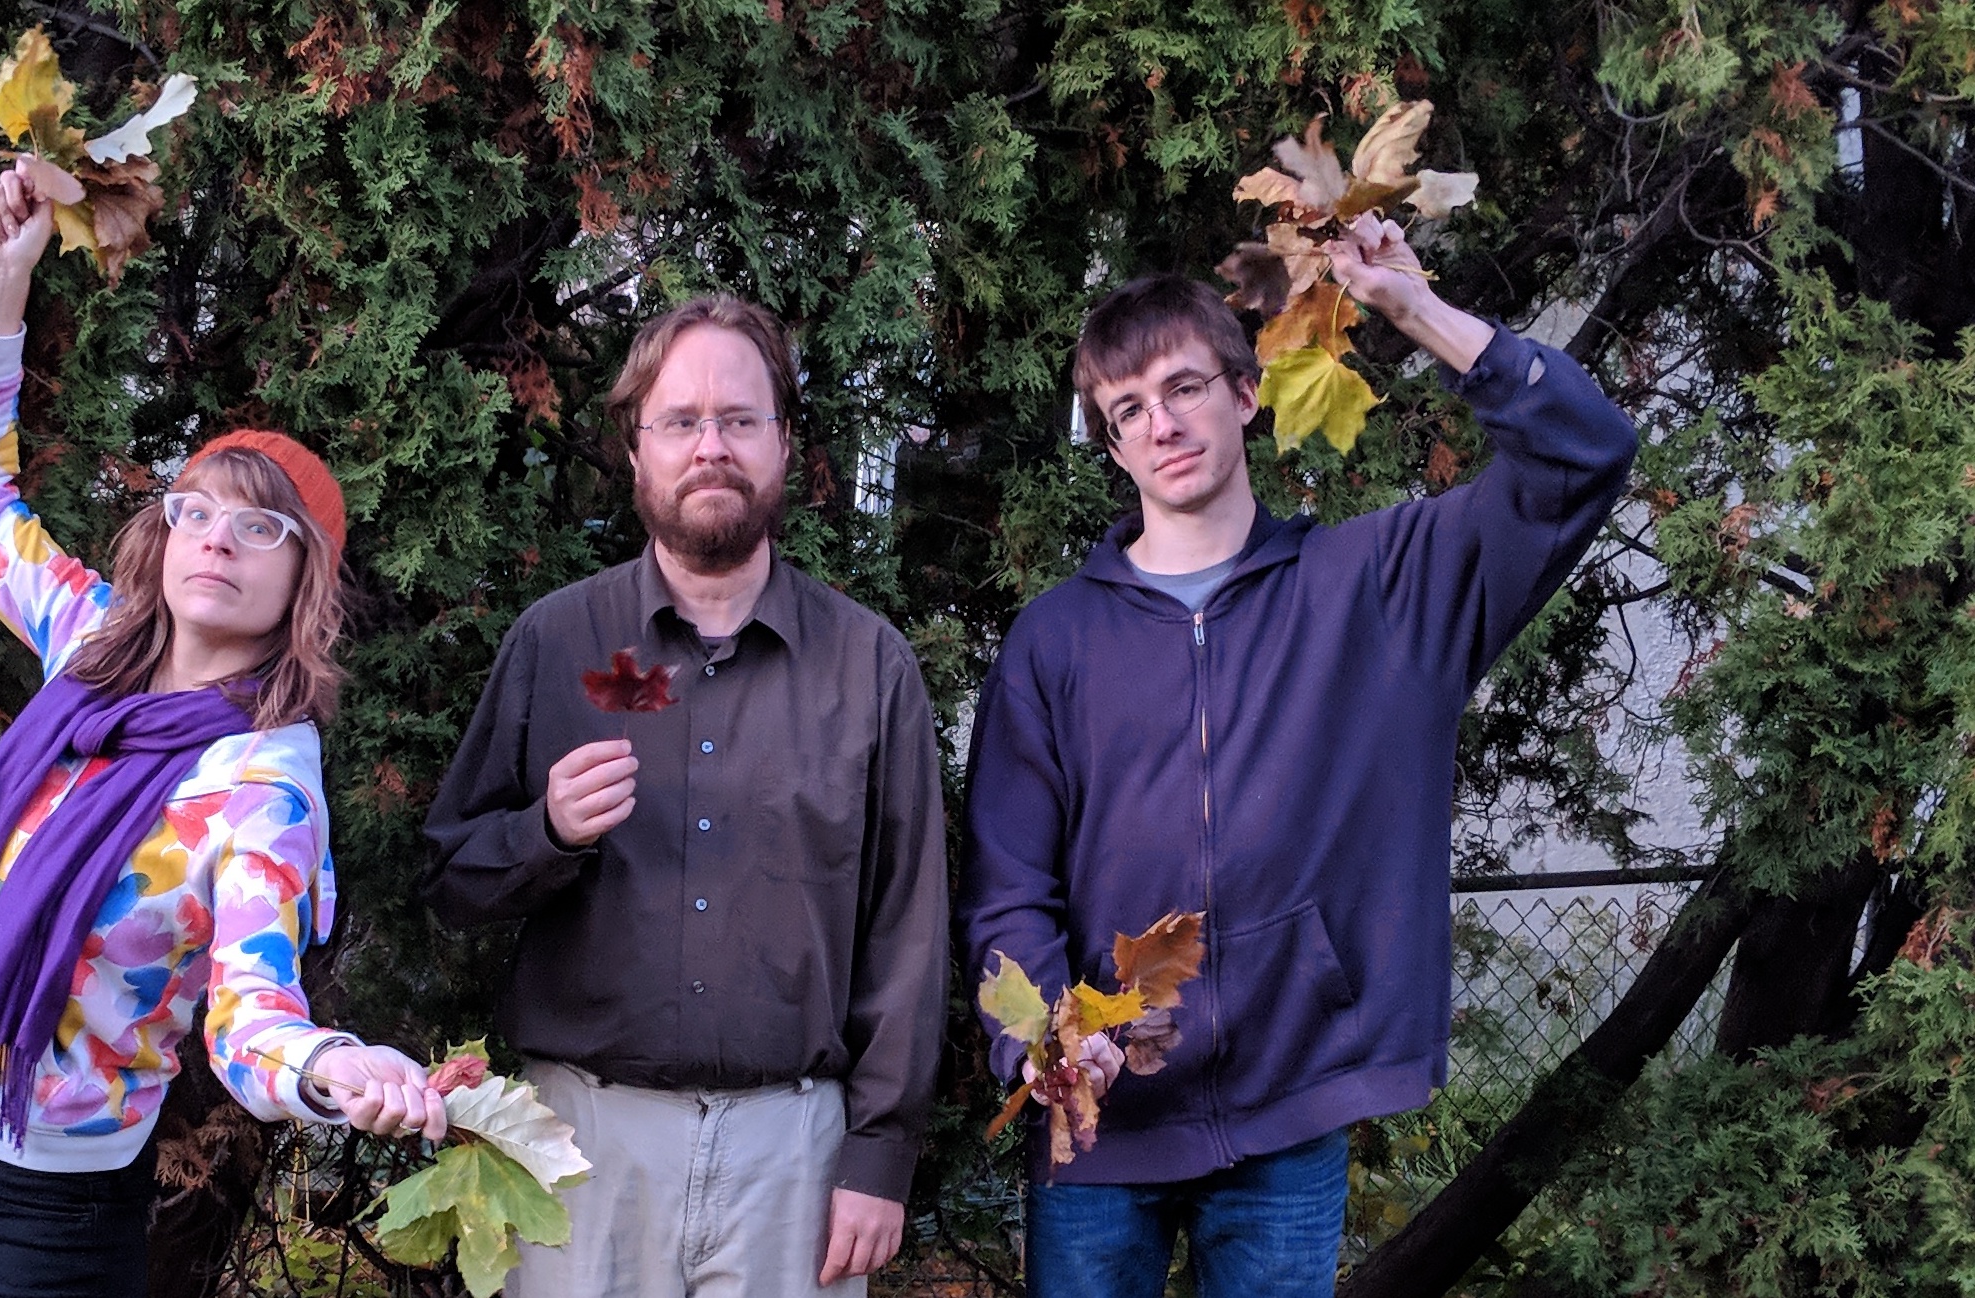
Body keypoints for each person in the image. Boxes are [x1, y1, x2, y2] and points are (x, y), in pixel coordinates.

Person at [956, 216, 1638, 1297]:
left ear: (1244, 392)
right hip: (1101, 1127)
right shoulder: (1055, 639)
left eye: (1184, 388)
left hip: (1289, 1109)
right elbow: (1006, 886)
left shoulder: (1380, 587)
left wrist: (1413, 310)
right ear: (1113, 443)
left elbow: (1586, 452)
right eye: (1128, 409)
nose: (1161, 424)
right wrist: (1039, 1043)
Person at [0, 161, 449, 1298]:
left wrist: (331, 1063)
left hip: (45, 1214)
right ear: (163, 538)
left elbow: (250, 1009)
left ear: (306, 588)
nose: (219, 539)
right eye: (197, 511)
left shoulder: (263, 782)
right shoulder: (87, 640)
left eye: (260, 528)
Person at [422, 295, 949, 1297]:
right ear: (636, 450)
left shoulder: (868, 665)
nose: (712, 446)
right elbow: (451, 880)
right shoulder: (557, 642)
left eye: (741, 419)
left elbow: (909, 936)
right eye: (681, 421)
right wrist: (547, 832)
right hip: (582, 1145)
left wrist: (880, 1156)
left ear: (785, 445)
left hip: (791, 1156)